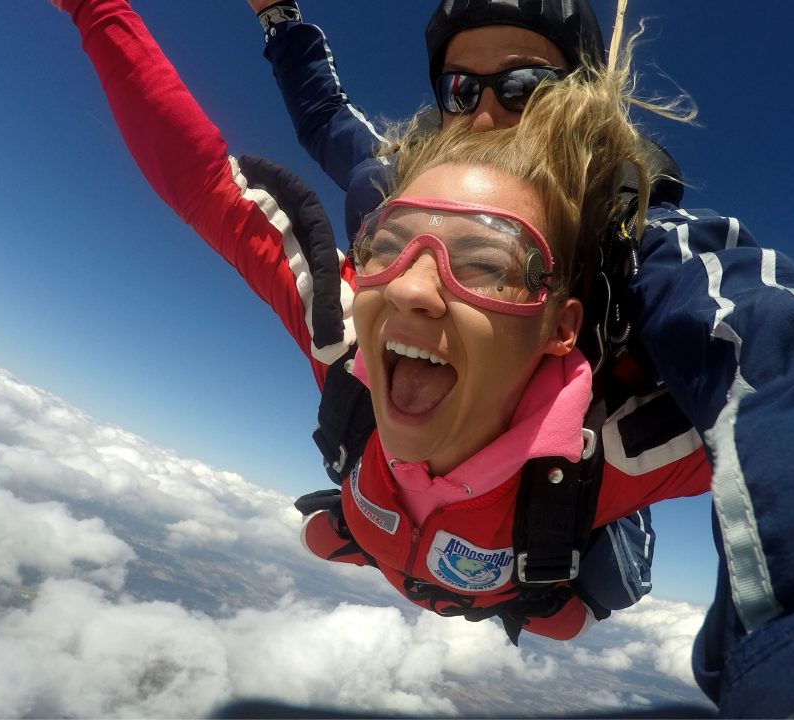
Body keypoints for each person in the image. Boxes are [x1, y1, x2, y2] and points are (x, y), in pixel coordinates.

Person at [46, 0, 711, 651]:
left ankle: (416, 534)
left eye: (485, 263)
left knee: (588, 601)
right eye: (389, 244)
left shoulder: (618, 416)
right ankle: (381, 524)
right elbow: (249, 159)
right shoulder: (359, 297)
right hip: (401, 528)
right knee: (342, 516)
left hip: (544, 553)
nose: (415, 287)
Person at [248, 0, 667, 625]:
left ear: (576, 104)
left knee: (614, 582)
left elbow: (743, 329)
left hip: (564, 460)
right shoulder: (401, 180)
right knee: (363, 423)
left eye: (526, 87)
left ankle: (538, 584)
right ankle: (385, 525)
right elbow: (324, 119)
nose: (487, 113)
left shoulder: (623, 232)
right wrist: (279, 18)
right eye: (461, 89)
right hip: (436, 411)